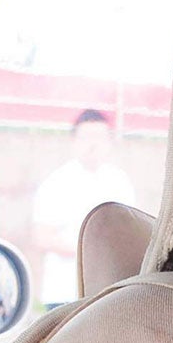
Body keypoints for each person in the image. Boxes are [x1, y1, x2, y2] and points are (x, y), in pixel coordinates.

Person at [29, 107, 136, 308]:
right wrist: (88, 251)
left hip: (108, 292)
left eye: (100, 138)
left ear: (110, 142)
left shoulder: (120, 182)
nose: (93, 145)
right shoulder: (56, 183)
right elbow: (41, 237)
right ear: (74, 141)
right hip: (63, 293)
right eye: (86, 137)